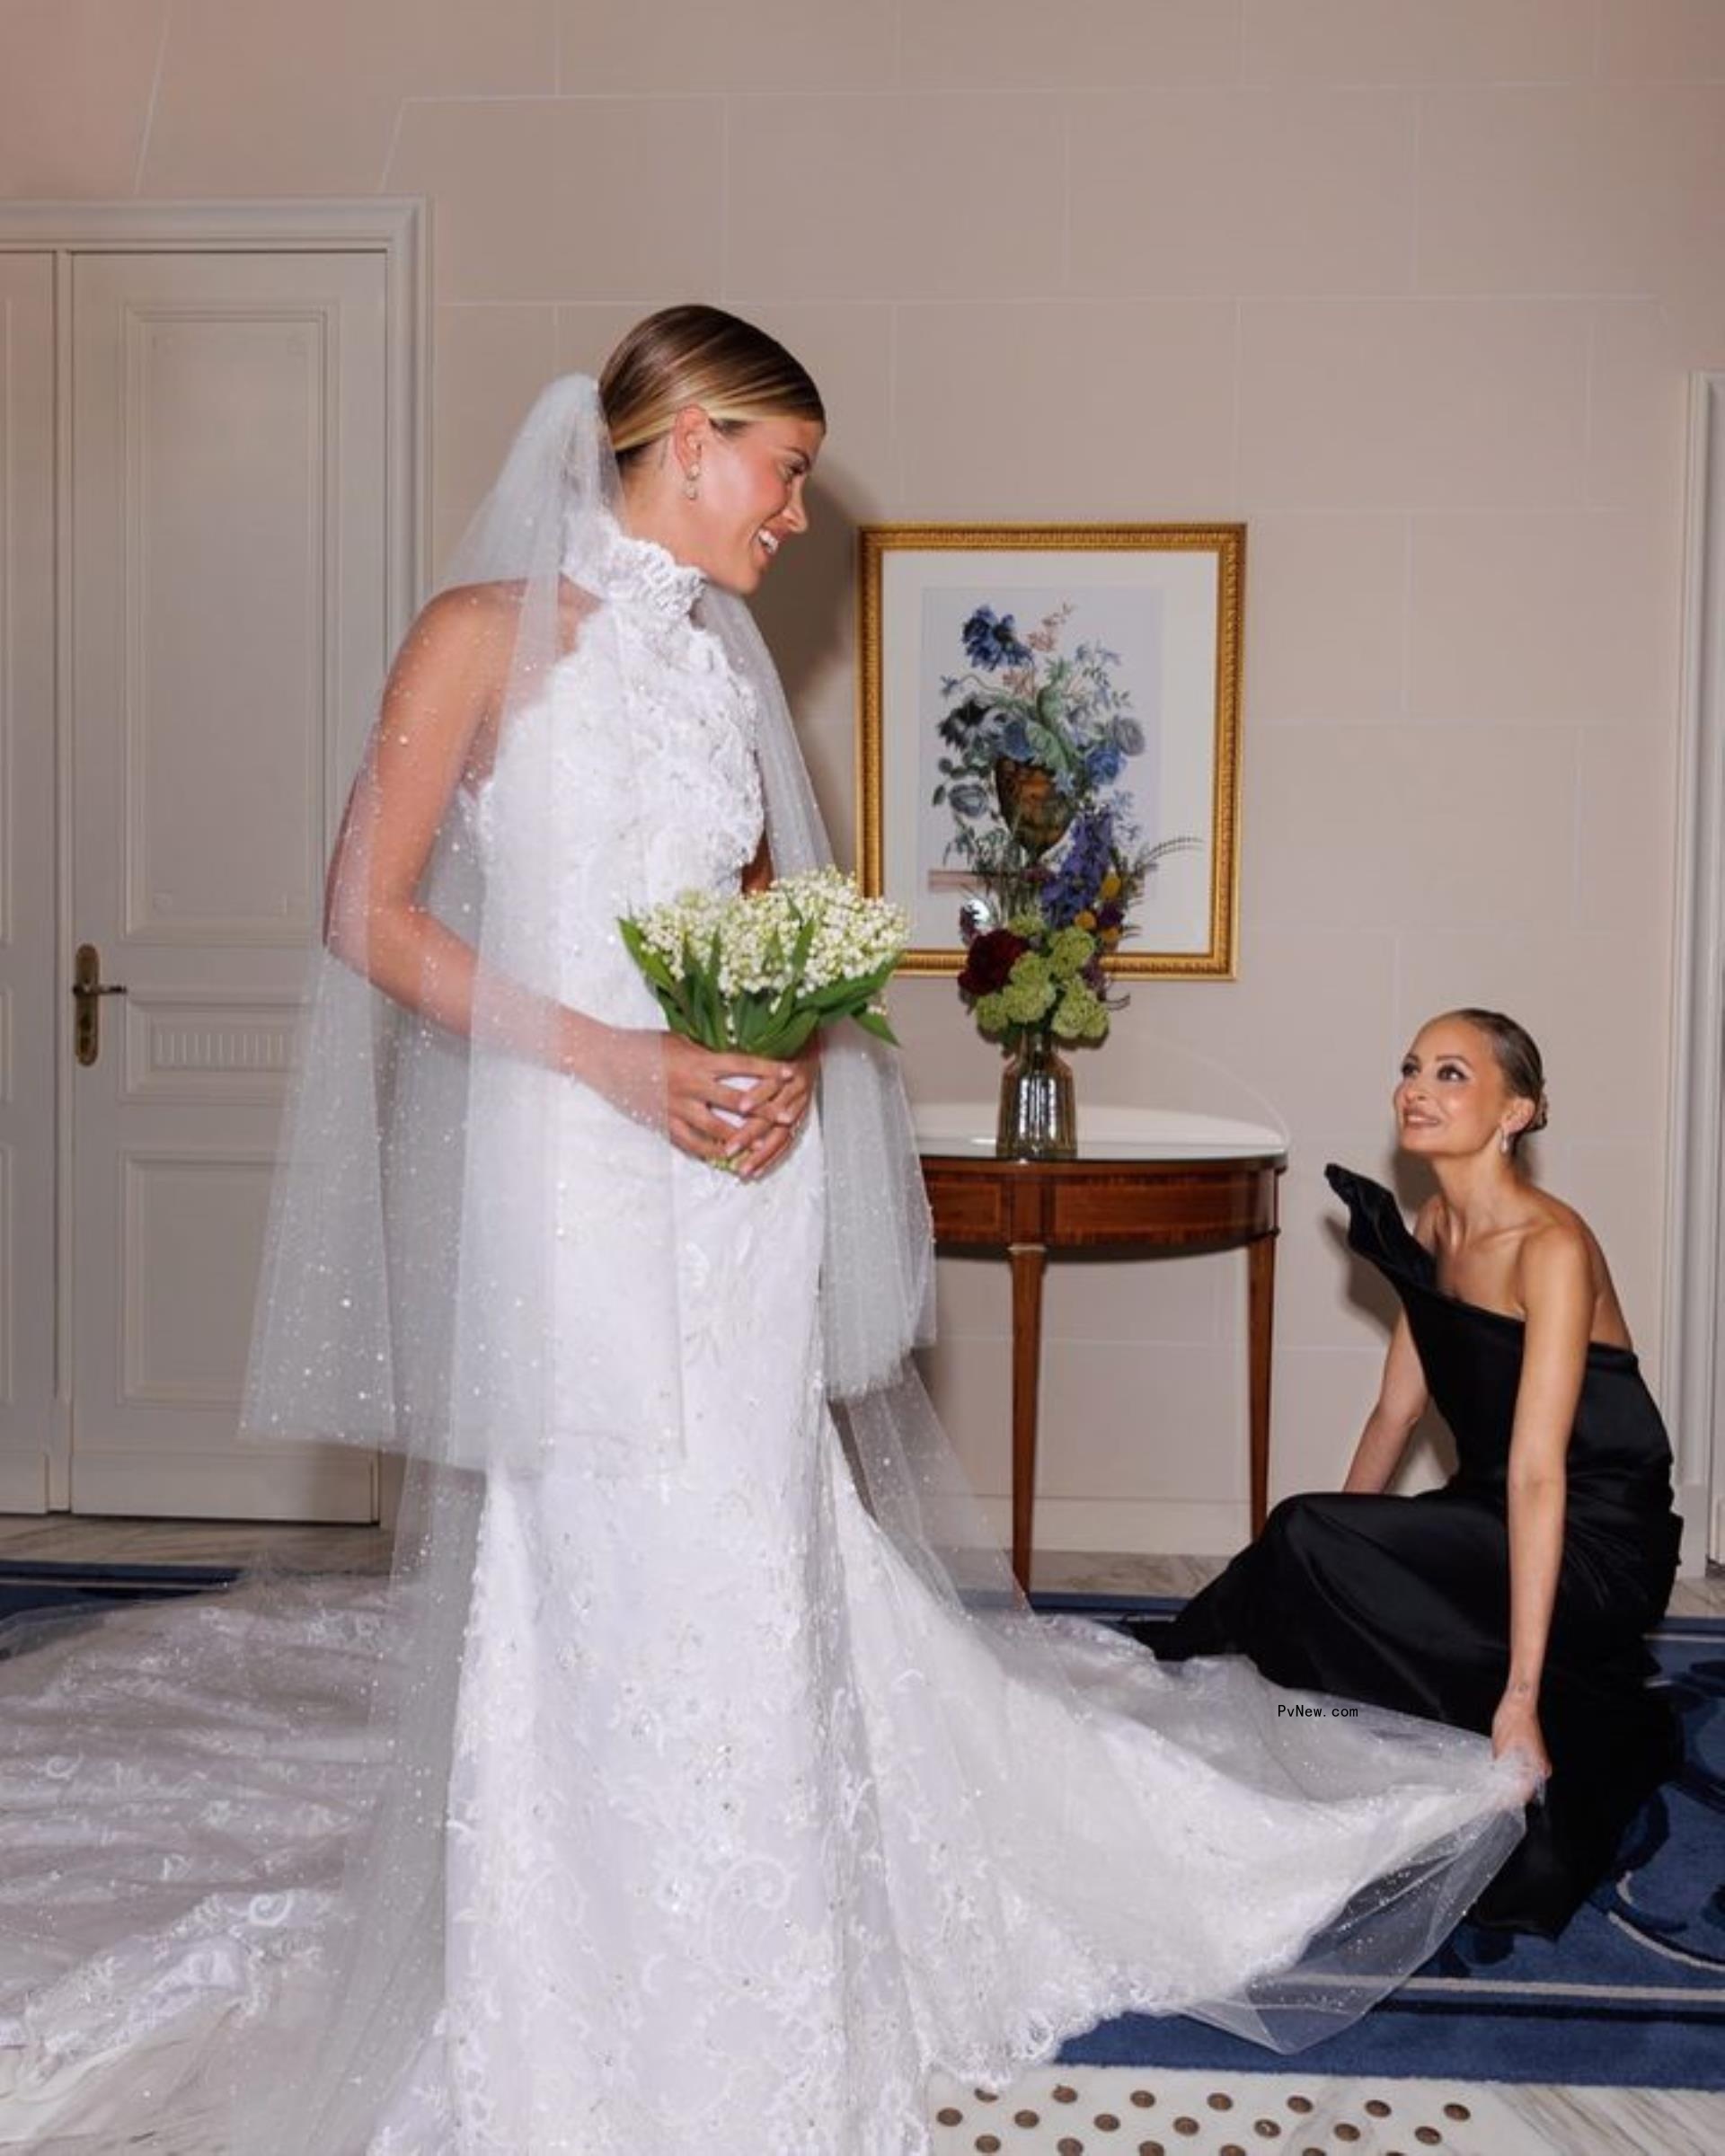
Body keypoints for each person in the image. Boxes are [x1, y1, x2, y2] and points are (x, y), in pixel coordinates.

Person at [0, 314, 1529, 2156]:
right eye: (785, 469)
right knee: (603, 1566)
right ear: (690, 437)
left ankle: (769, 1955)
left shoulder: (719, 667)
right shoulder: (479, 636)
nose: (797, 516)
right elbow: (367, 912)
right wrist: (623, 1064)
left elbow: (743, 929)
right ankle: (588, 1983)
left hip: (729, 1182)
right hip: (567, 1166)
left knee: (746, 1545)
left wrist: (780, 1041)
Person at [1152, 1009, 1684, 1936]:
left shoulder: (1551, 1246)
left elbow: (1537, 1472)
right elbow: (1396, 1412)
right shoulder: (1435, 1225)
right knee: (1313, 1539)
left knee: (1314, 1535)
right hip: (1491, 1507)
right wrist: (1312, 1575)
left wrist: (1519, 1701)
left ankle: (1525, 1694)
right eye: (1411, 1068)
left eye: (1450, 1073)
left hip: (1598, 1537)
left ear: (1514, 1111)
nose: (1416, 1089)